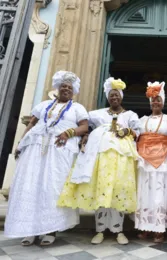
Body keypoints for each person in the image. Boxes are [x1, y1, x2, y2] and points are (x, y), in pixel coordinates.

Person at [5, 71, 89, 246]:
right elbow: (31, 123)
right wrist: (21, 142)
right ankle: (29, 230)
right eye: (63, 86)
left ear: (73, 91)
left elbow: (84, 127)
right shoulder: (43, 105)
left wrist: (69, 132)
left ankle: (50, 229)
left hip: (59, 152)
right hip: (35, 150)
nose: (66, 89)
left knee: (52, 188)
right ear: (57, 88)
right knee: (31, 185)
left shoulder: (77, 108)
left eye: (69, 87)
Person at [57, 77, 140, 245]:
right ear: (108, 97)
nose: (114, 98)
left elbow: (138, 134)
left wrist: (127, 131)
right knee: (101, 191)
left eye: (117, 95)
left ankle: (118, 230)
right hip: (100, 156)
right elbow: (88, 129)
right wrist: (86, 138)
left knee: (119, 191)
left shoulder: (130, 115)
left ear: (121, 97)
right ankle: (100, 230)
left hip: (122, 156)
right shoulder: (97, 114)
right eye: (111, 95)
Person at [135, 82, 167, 243]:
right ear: (150, 102)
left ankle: (159, 228)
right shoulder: (141, 120)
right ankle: (145, 226)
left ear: (163, 102)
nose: (156, 102)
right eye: (153, 100)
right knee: (145, 191)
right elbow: (135, 138)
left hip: (164, 157)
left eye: (158, 100)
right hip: (144, 158)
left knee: (161, 192)